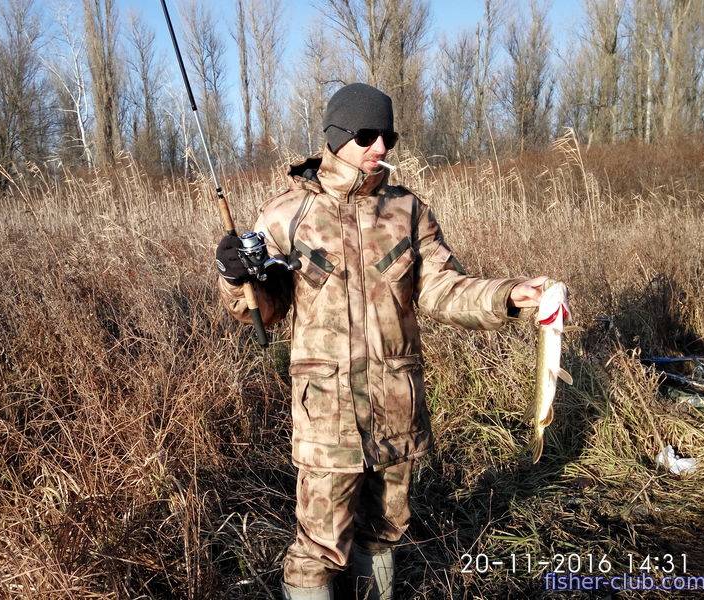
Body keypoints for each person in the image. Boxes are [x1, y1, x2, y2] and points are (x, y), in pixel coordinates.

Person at [215, 83, 547, 600]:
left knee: (385, 533)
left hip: (397, 406)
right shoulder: (287, 214)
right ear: (336, 137)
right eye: (368, 135)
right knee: (318, 549)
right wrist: (237, 276)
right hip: (327, 413)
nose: (381, 148)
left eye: (387, 136)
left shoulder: (408, 211)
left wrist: (508, 295)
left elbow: (443, 288)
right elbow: (262, 309)